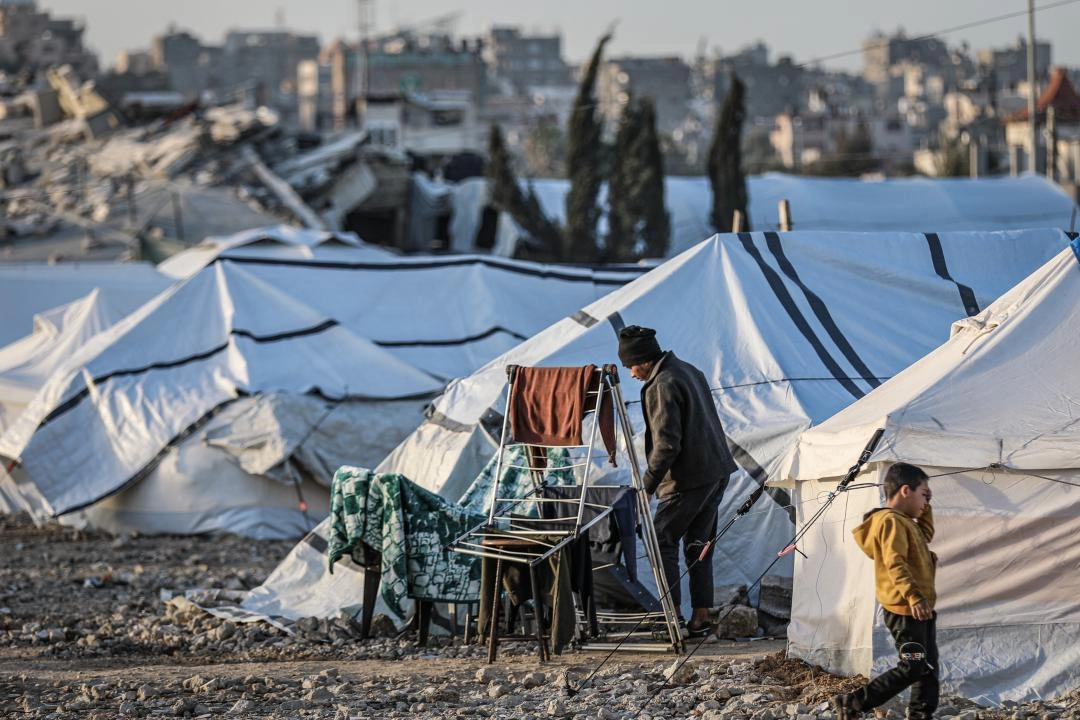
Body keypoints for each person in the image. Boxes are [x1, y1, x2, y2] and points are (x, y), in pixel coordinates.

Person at [617, 325, 738, 637]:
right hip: (716, 471)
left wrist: (646, 485)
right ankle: (701, 618)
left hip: (689, 477)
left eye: (630, 365)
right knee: (699, 545)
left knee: (660, 541)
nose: (630, 374)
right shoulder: (688, 370)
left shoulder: (663, 384)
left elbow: (667, 444)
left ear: (642, 360)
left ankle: (672, 619)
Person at [833, 462, 937, 720]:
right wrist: (913, 595)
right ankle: (854, 702)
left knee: (927, 667)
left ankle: (920, 714)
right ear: (905, 491)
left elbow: (925, 535)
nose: (926, 502)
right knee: (913, 665)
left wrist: (927, 509)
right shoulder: (891, 522)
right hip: (906, 610)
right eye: (924, 495)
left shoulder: (906, 522)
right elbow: (894, 562)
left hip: (919, 609)